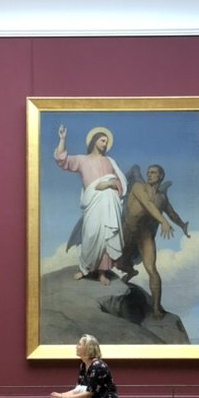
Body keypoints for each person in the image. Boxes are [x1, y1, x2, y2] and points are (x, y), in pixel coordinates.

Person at [113, 163, 190, 319]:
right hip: (127, 231)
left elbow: (171, 213)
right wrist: (163, 221)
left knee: (152, 269)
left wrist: (182, 225)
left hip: (145, 235)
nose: (149, 174)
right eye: (148, 172)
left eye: (153, 172)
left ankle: (156, 308)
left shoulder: (162, 198)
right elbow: (148, 204)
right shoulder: (138, 187)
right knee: (119, 263)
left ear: (161, 176)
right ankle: (131, 271)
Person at [54, 123, 127, 286]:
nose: (105, 144)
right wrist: (62, 139)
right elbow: (62, 160)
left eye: (106, 142)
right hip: (93, 202)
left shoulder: (110, 161)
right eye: (102, 140)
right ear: (94, 141)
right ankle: (84, 268)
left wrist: (108, 184)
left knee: (105, 237)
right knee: (91, 234)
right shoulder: (82, 160)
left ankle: (102, 273)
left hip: (109, 204)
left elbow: (120, 183)